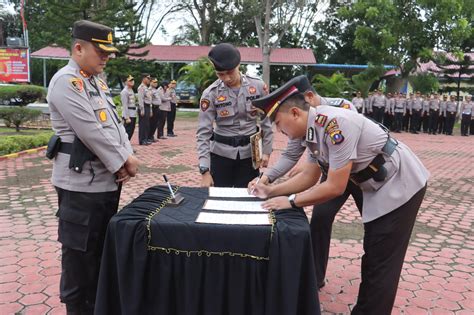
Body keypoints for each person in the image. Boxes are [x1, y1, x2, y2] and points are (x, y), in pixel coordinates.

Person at [250, 77, 429, 315]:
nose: (281, 132)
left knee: (381, 261)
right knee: (374, 255)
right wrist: (270, 189)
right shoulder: (312, 130)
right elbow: (310, 177)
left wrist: (291, 201)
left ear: (294, 113)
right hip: (375, 183)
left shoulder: (335, 123)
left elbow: (334, 186)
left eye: (279, 124)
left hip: (399, 183)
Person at [47, 20, 139, 314]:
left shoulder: (95, 82)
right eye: (101, 52)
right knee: (79, 261)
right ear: (78, 48)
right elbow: (90, 131)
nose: (106, 57)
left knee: (99, 257)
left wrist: (127, 156)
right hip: (80, 188)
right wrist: (122, 162)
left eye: (108, 52)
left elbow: (115, 126)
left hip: (104, 183)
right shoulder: (66, 82)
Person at [248, 75, 362, 289]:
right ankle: (315, 276)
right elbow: (291, 155)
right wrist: (266, 178)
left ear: (308, 98)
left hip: (358, 174)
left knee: (374, 225)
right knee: (320, 217)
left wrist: (289, 193)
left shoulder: (341, 110)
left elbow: (325, 159)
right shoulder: (300, 118)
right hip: (332, 174)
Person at [197, 43, 273, 187]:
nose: (226, 78)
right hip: (221, 155)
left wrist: (267, 151)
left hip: (251, 155)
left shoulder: (257, 87)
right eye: (220, 74)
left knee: (247, 198)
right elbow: (203, 133)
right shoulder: (210, 94)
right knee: (219, 199)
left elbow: (266, 121)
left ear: (239, 65)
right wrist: (205, 170)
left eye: (230, 72)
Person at [120, 75, 137, 141]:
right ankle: (125, 146)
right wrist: (127, 117)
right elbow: (124, 105)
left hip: (133, 113)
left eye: (132, 80)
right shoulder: (125, 91)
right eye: (130, 80)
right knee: (127, 131)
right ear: (125, 82)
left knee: (131, 131)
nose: (132, 81)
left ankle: (128, 146)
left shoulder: (131, 90)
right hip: (128, 114)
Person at [137, 73, 152, 145]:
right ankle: (142, 140)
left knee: (147, 124)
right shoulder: (141, 87)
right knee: (142, 125)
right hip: (144, 107)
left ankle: (145, 139)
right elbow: (140, 99)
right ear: (144, 78)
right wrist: (142, 109)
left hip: (148, 106)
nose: (149, 80)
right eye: (148, 78)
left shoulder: (146, 88)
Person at [148, 78, 161, 142]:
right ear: (150, 83)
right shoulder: (149, 90)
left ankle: (152, 135)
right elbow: (149, 101)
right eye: (154, 82)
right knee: (151, 123)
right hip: (153, 107)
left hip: (157, 107)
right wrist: (150, 110)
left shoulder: (156, 90)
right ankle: (149, 136)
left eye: (156, 82)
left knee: (155, 123)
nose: (156, 83)